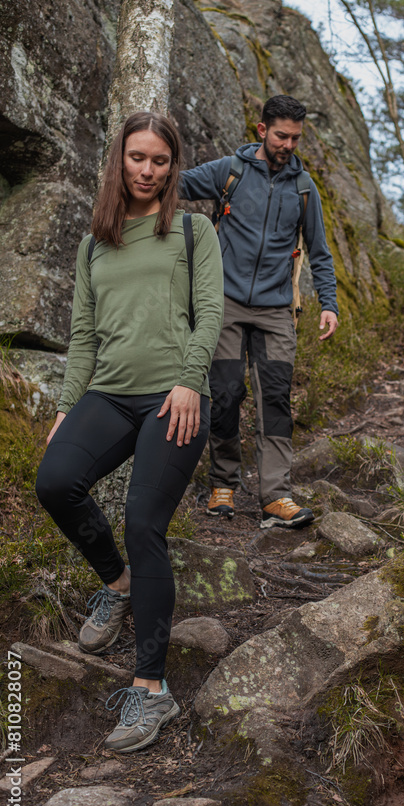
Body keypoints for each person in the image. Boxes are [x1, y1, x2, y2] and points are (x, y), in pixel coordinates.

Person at [35, 111, 224, 753]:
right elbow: (83, 335)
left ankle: (151, 690)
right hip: (109, 394)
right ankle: (116, 585)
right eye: (137, 158)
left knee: (145, 523)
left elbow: (211, 315)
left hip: (174, 398)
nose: (147, 170)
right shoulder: (96, 244)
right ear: (119, 161)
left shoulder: (194, 231)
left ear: (173, 168)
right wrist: (67, 406)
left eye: (160, 161)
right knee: (57, 481)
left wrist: (189, 380)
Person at [179, 94, 339, 529]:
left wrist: (329, 304)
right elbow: (170, 185)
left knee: (276, 400)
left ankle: (276, 494)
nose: (288, 144)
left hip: (275, 312)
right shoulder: (229, 172)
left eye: (295, 137)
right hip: (224, 305)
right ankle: (223, 483)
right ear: (261, 130)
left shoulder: (304, 189)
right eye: (281, 135)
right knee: (226, 394)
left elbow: (320, 254)